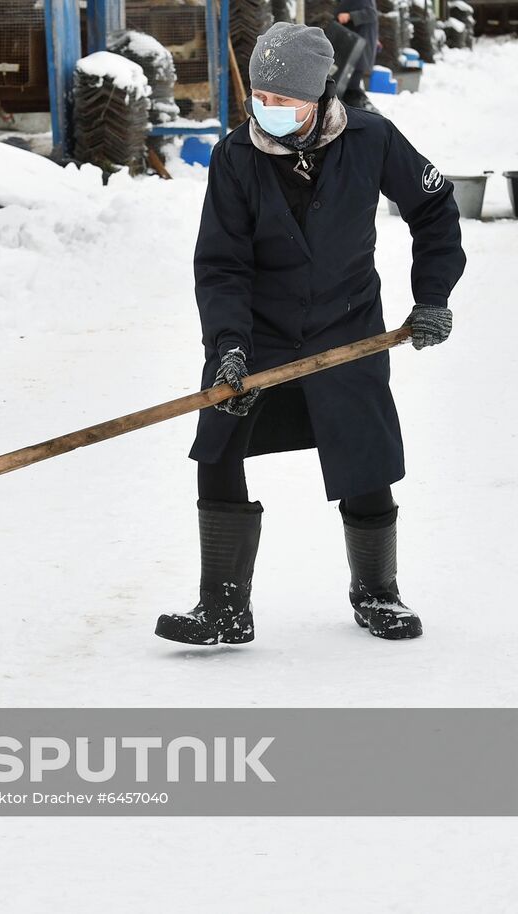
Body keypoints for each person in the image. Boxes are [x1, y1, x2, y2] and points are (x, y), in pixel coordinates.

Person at [155, 22, 464, 646]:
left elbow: (434, 208)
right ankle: (222, 606)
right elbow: (221, 264)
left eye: (284, 103)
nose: (268, 113)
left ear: (320, 99)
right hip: (258, 331)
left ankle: (377, 592)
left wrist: (431, 296)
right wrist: (229, 348)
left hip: (346, 324)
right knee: (218, 443)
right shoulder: (236, 156)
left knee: (363, 452)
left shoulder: (372, 138)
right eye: (260, 100)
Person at [336, 0, 381, 109]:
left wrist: (350, 16)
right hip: (351, 49)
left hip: (357, 51)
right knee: (349, 86)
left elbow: (371, 14)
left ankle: (364, 113)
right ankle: (367, 110)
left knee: (351, 87)